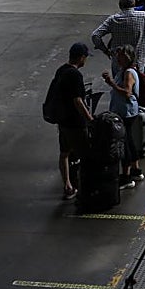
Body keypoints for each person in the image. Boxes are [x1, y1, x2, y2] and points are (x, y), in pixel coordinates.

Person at [55, 42, 95, 200]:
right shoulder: (75, 75)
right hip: (75, 123)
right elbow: (78, 100)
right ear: (81, 57)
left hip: (62, 121)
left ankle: (68, 186)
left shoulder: (61, 70)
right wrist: (89, 119)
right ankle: (86, 186)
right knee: (85, 154)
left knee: (64, 153)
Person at [91, 0, 145, 73]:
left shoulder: (113, 20)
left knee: (118, 84)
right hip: (138, 63)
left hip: (118, 64)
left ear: (120, 5)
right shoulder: (144, 17)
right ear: (133, 3)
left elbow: (95, 35)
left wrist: (105, 50)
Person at [102, 45, 143, 187]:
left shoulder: (129, 73)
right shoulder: (124, 71)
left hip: (126, 112)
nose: (118, 59)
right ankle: (136, 169)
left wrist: (112, 84)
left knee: (124, 144)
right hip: (126, 111)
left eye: (121, 56)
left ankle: (126, 177)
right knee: (129, 140)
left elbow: (127, 92)